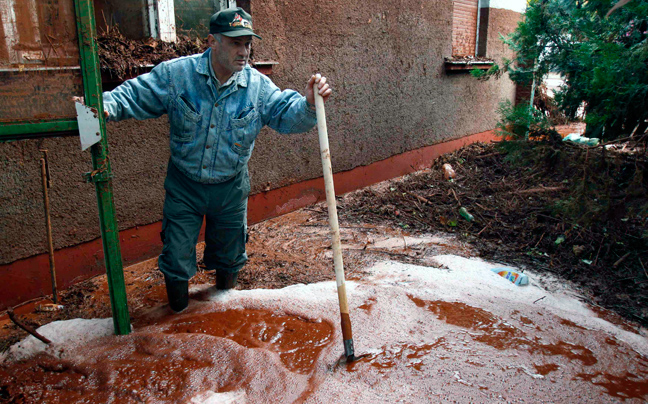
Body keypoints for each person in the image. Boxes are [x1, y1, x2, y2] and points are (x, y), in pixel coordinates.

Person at [99, 7, 331, 312]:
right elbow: (133, 95)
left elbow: (288, 114)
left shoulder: (257, 88)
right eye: (235, 42)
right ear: (212, 41)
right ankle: (177, 316)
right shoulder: (177, 76)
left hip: (230, 188)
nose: (244, 51)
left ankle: (222, 307)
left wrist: (310, 105)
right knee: (177, 258)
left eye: (247, 43)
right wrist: (102, 107)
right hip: (185, 187)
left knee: (230, 254)